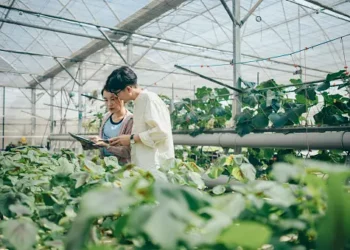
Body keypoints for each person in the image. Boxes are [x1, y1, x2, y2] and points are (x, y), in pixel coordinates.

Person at [104, 66, 174, 179]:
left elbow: (161, 132)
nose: (118, 97)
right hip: (146, 165)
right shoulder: (140, 101)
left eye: (117, 93)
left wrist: (131, 138)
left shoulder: (149, 99)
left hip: (154, 166)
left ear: (128, 89)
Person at [90, 86, 133, 164]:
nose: (109, 104)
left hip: (121, 169)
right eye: (106, 100)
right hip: (104, 165)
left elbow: (128, 151)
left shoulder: (130, 120)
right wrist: (97, 141)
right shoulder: (106, 117)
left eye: (113, 99)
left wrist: (106, 146)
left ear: (122, 97)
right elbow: (104, 140)